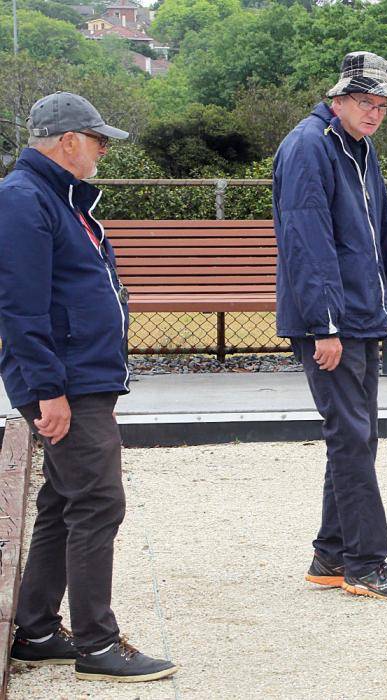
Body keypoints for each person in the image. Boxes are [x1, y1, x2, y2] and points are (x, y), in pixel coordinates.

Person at [0, 92, 177, 682]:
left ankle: (36, 630)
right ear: (69, 140)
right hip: (64, 381)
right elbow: (20, 307)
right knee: (99, 501)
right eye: (98, 140)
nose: (103, 150)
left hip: (81, 377)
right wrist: (48, 390)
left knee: (63, 498)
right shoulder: (24, 199)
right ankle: (98, 645)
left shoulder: (58, 198)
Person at [273, 51, 387, 598]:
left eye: (382, 105)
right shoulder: (308, 147)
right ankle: (366, 563)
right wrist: (325, 326)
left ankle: (331, 556)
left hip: (361, 316)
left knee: (357, 436)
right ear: (337, 99)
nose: (374, 112)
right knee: (353, 436)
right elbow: (305, 242)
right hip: (331, 322)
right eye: (364, 101)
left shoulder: (360, 148)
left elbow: (383, 229)